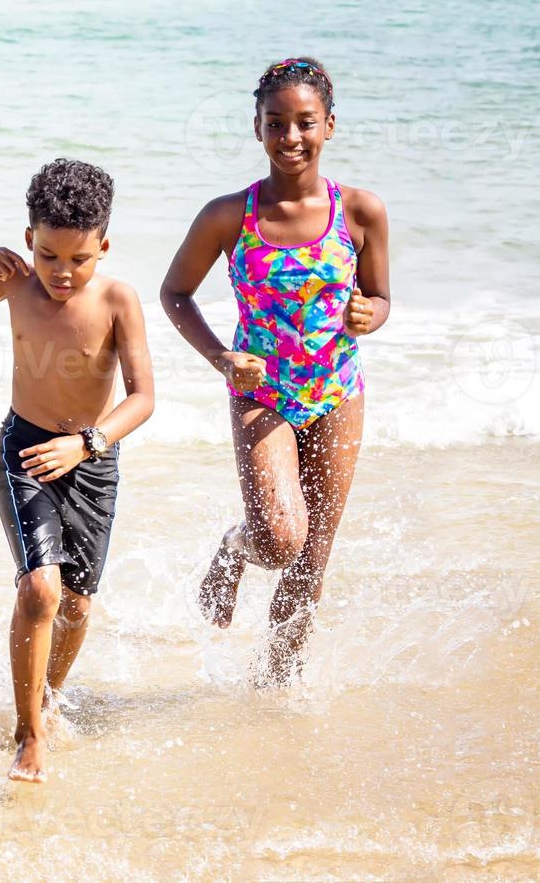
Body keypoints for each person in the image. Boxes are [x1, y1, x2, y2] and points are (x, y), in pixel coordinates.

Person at [0, 158, 154, 784]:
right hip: (24, 450)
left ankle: (43, 696)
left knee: (76, 604)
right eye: (49, 255)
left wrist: (86, 444)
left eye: (79, 258)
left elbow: (143, 398)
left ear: (103, 245)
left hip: (92, 458)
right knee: (40, 589)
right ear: (29, 241)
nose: (62, 272)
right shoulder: (16, 283)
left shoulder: (117, 299)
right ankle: (30, 735)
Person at [159, 57, 390, 685]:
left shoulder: (361, 212)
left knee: (312, 558)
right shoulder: (229, 215)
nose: (291, 137)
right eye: (276, 123)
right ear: (257, 128)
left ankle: (275, 686)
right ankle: (236, 548)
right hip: (263, 394)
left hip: (338, 391)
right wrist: (221, 358)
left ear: (330, 126)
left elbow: (379, 300)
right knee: (281, 537)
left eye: (305, 123)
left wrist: (372, 313)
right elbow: (174, 293)